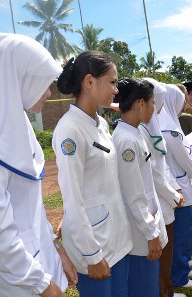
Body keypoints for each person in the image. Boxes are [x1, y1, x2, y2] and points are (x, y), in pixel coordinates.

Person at [0, 32, 76, 297]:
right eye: (42, 82)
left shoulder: (19, 130)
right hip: (12, 284)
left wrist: (56, 248)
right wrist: (42, 285)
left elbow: (31, 209)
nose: (49, 92)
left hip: (38, 267)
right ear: (15, 79)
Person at [53, 51, 133, 297]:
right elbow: (73, 198)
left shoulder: (101, 124)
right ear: (89, 82)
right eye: (112, 82)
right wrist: (91, 254)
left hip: (117, 237)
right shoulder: (69, 130)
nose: (116, 89)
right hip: (94, 246)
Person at [113, 78, 168, 297]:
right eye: (152, 102)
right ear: (140, 104)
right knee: (144, 289)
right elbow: (134, 194)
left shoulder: (134, 133)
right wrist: (151, 233)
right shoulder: (127, 140)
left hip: (146, 226)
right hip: (141, 235)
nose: (154, 108)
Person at [138, 79, 185, 297]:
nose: (161, 106)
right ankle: (164, 291)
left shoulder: (151, 125)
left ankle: (167, 290)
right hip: (156, 201)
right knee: (160, 256)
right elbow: (153, 173)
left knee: (166, 252)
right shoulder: (141, 130)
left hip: (165, 198)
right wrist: (172, 194)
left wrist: (173, 190)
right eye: (158, 101)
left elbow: (162, 164)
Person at [158, 84, 192, 289]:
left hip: (180, 183)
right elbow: (184, 157)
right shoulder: (168, 128)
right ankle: (178, 275)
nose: (183, 105)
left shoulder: (171, 123)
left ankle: (183, 267)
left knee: (186, 228)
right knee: (184, 230)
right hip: (177, 186)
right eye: (180, 101)